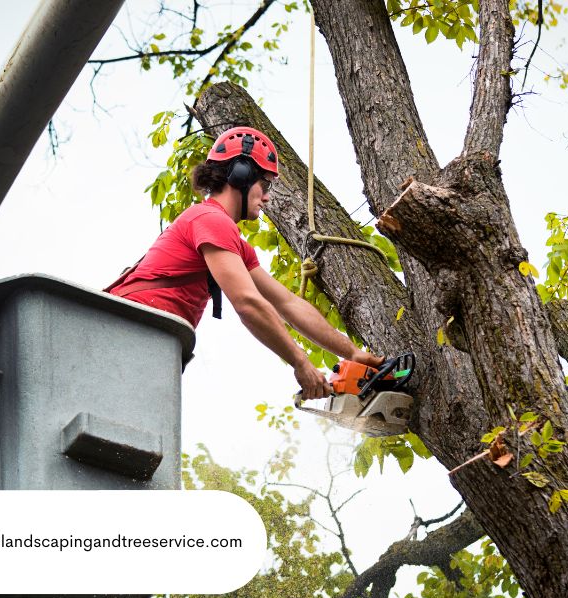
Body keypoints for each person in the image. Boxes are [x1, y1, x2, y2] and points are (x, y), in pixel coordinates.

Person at [107, 126, 382, 400]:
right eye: (264, 185)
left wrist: (352, 353)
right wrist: (300, 362)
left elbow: (288, 303)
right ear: (240, 175)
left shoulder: (232, 243)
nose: (267, 197)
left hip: (147, 338)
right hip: (125, 331)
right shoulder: (211, 220)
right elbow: (247, 303)